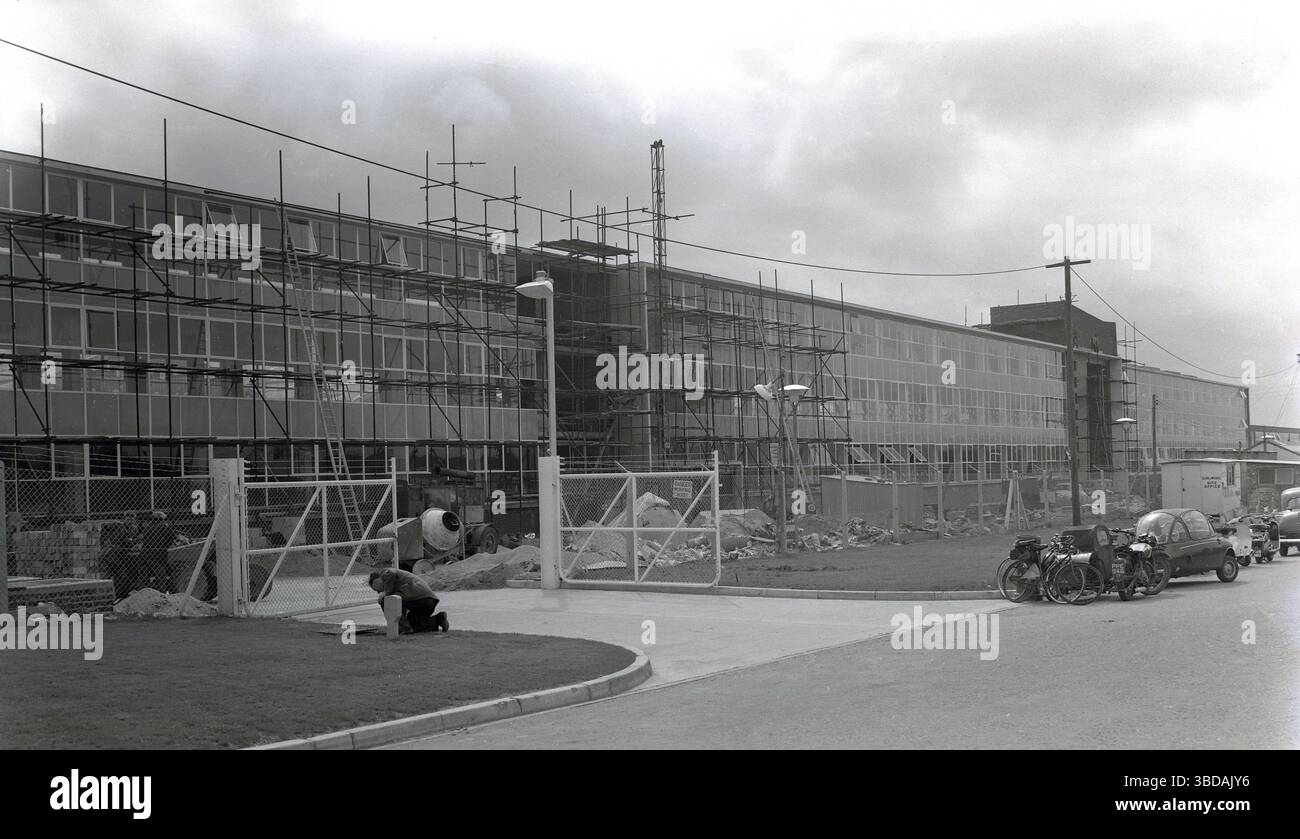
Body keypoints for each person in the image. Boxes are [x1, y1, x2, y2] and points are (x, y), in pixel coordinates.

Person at [367, 568, 449, 634]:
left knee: (386, 601)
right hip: (429, 600)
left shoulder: (385, 573)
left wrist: (385, 592)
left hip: (419, 596)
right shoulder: (394, 586)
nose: (378, 592)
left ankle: (403, 628)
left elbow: (391, 573)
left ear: (376, 580)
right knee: (415, 626)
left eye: (376, 588)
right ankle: (439, 619)